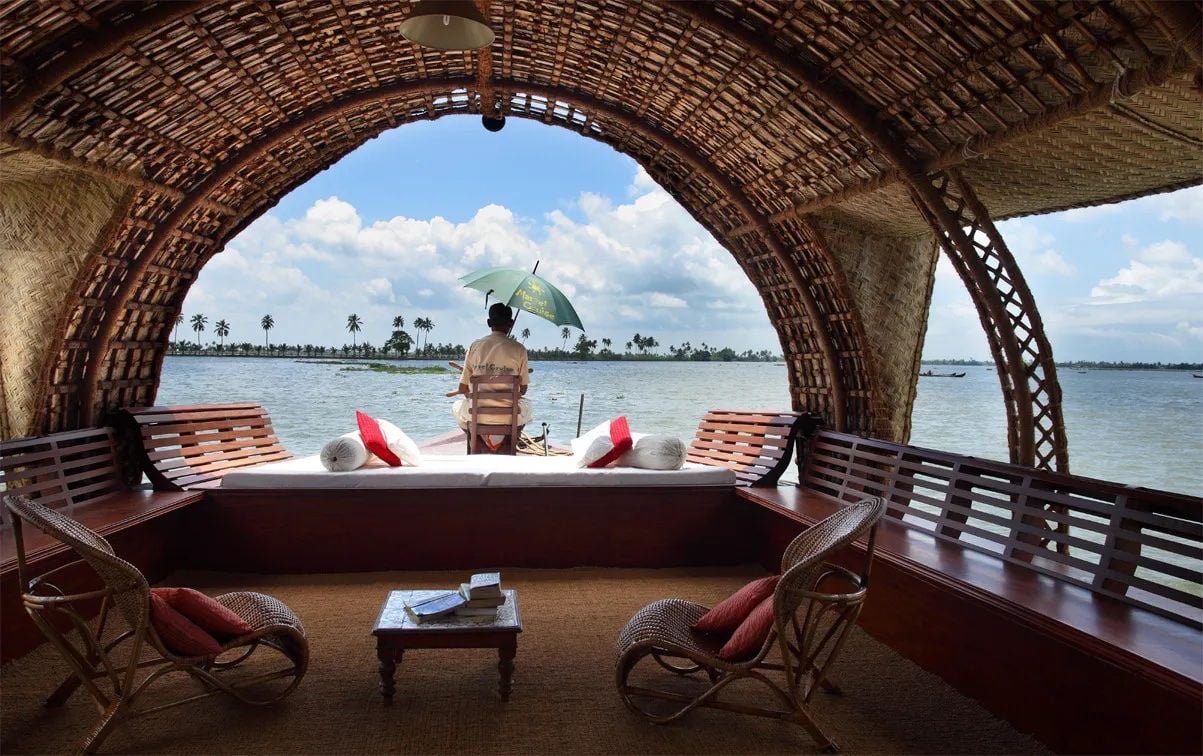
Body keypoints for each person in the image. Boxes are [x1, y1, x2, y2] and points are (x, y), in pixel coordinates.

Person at [447, 303, 532, 432]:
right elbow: (524, 389)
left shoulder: (474, 347)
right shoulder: (520, 349)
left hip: (477, 415)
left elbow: (462, 388)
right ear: (511, 323)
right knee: (528, 407)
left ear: (488, 322)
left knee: (456, 406)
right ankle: (511, 439)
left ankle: (475, 439)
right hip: (510, 417)